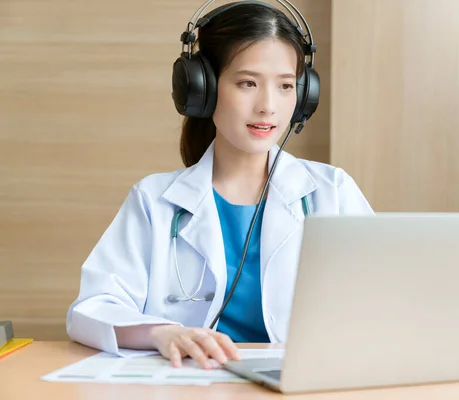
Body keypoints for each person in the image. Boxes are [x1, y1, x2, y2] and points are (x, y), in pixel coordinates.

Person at [66, 0, 373, 370]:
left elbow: (388, 300)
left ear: (303, 96)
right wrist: (161, 333)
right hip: (192, 382)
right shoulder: (155, 201)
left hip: (302, 383)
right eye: (248, 83)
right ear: (203, 89)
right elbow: (91, 309)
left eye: (286, 86)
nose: (268, 106)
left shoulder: (332, 192)